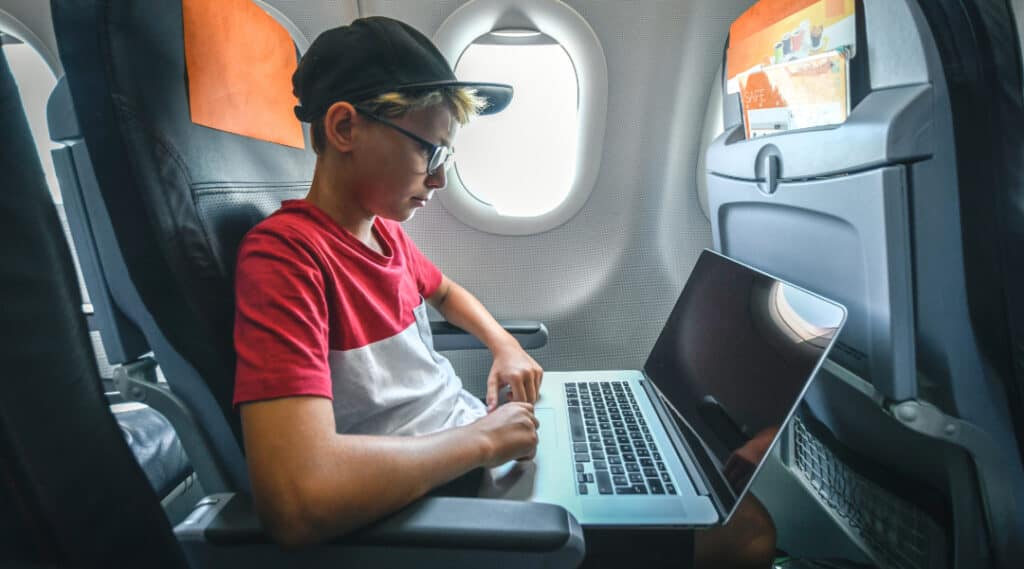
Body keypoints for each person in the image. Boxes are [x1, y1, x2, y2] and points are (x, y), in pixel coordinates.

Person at [233, 16, 776, 568]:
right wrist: (486, 441)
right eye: (429, 152)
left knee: (694, 483)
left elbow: (446, 292)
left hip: (466, 449)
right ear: (345, 128)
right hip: (437, 499)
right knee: (745, 533)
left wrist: (504, 346)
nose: (439, 179)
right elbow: (298, 502)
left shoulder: (383, 234)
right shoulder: (287, 258)